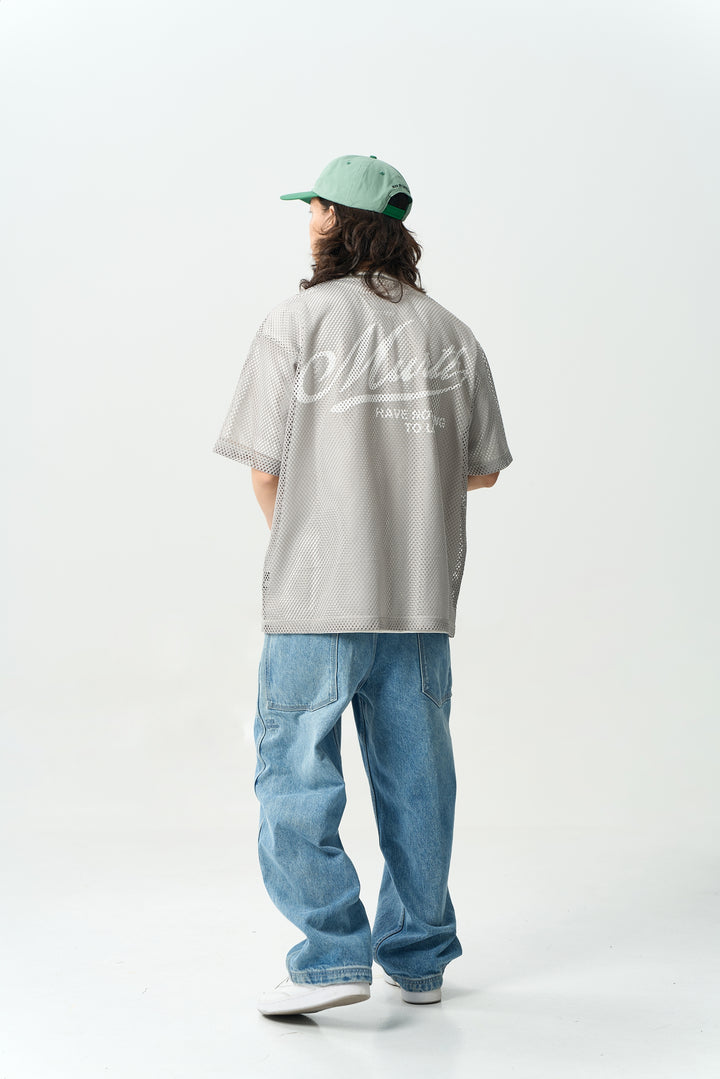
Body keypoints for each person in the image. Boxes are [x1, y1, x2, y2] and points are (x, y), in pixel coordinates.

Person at [212, 153, 513, 1017]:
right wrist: (405, 482)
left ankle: (330, 959)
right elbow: (484, 471)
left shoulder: (295, 323)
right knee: (419, 783)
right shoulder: (452, 334)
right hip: (417, 597)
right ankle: (418, 962)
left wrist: (316, 532)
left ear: (335, 219)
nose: (308, 221)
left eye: (312, 207)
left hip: (316, 597)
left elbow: (264, 468)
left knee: (295, 779)